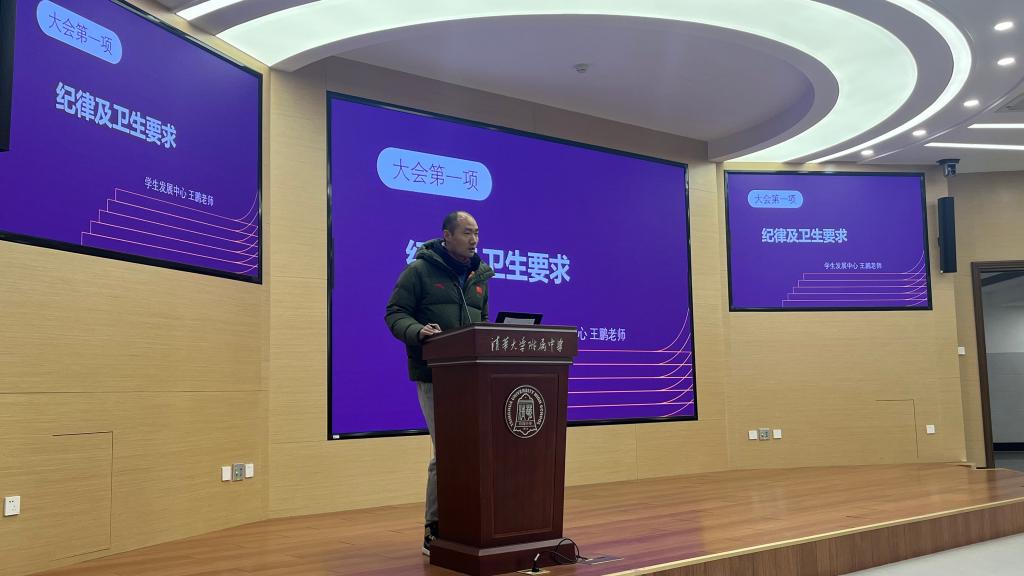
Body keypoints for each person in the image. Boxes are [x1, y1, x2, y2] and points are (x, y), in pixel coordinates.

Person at [385, 210, 494, 556]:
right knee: (447, 450)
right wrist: (418, 331)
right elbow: (395, 313)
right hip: (435, 375)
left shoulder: (480, 276)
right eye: (467, 232)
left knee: (473, 450)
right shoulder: (419, 271)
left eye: (476, 233)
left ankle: (468, 523)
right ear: (447, 235)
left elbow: (482, 323)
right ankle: (434, 528)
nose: (474, 240)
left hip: (472, 378)